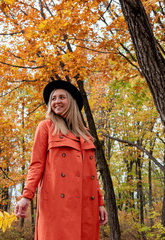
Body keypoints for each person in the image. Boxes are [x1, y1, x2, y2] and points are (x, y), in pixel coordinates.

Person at [14, 80, 108, 239]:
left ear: (71, 102)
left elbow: (92, 175)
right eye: (53, 98)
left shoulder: (85, 134)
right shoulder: (46, 127)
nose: (56, 101)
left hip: (86, 206)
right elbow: (36, 165)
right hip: (57, 205)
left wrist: (100, 203)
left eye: (61, 97)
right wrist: (26, 196)